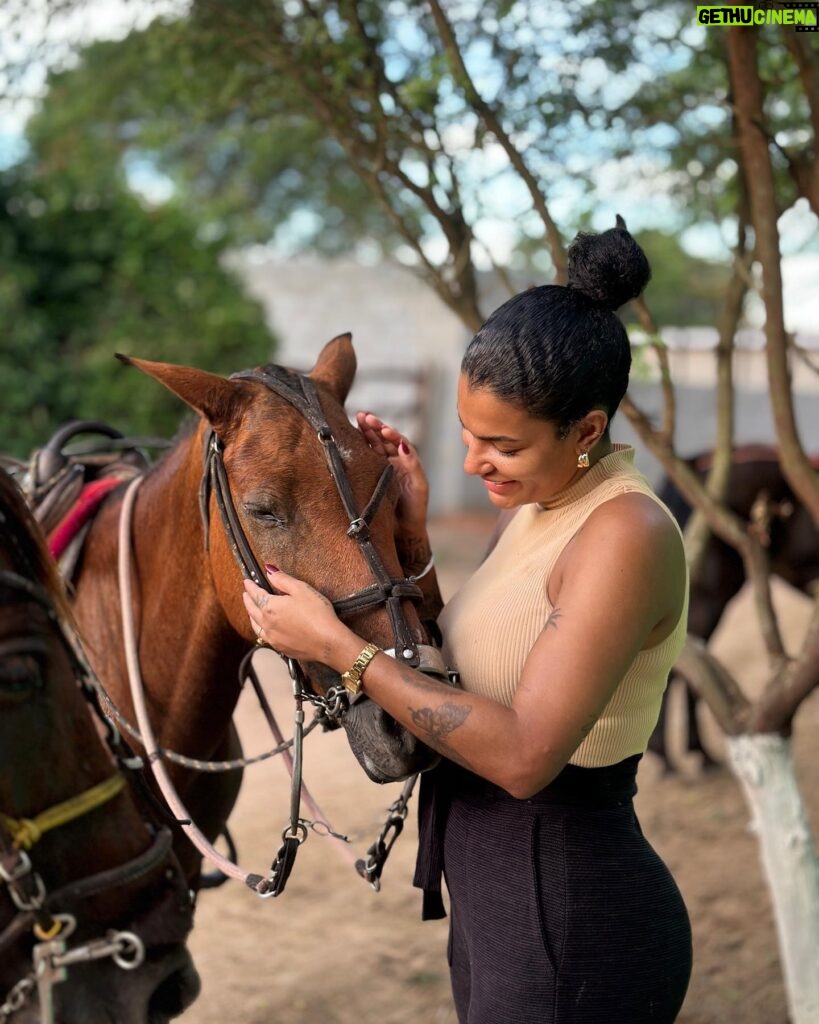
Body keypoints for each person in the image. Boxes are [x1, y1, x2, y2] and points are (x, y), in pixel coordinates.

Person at [243, 217, 692, 1024]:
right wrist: (412, 528)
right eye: (466, 432)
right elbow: (473, 668)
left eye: (501, 445)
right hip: (498, 898)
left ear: (586, 431)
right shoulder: (541, 504)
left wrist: (338, 649)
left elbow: (521, 756)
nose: (473, 461)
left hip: (570, 919)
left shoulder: (625, 532)